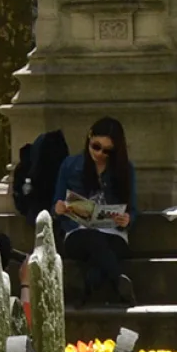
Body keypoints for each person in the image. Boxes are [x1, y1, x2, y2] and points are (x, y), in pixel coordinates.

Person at [52, 116, 137, 306]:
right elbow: (55, 204)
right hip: (78, 232)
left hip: (113, 234)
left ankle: (89, 287)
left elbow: (133, 210)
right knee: (94, 239)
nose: (99, 153)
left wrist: (127, 219)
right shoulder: (70, 165)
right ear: (88, 139)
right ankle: (118, 280)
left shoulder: (125, 170)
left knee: (103, 248)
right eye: (95, 146)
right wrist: (59, 209)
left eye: (107, 151)